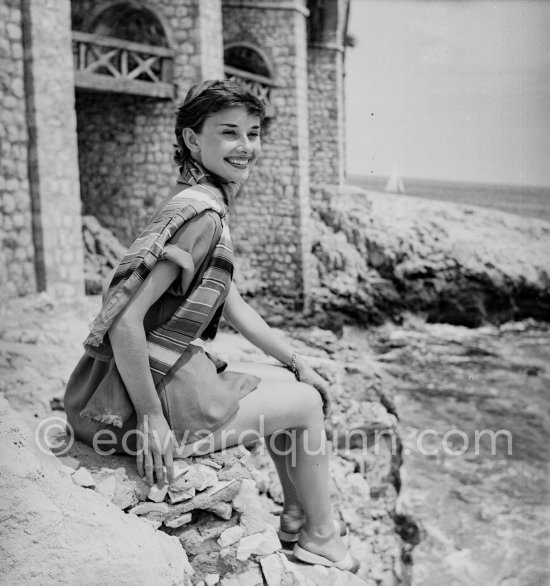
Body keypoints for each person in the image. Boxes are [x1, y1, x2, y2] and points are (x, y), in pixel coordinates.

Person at [64, 79, 359, 572]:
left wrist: (298, 361)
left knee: (292, 385)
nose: (246, 146)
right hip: (136, 410)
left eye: (254, 132)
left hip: (127, 386)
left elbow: (236, 307)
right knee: (307, 404)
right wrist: (152, 418)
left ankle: (293, 519)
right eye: (229, 133)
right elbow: (125, 321)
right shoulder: (202, 216)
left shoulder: (198, 202)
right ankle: (322, 535)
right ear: (192, 140)